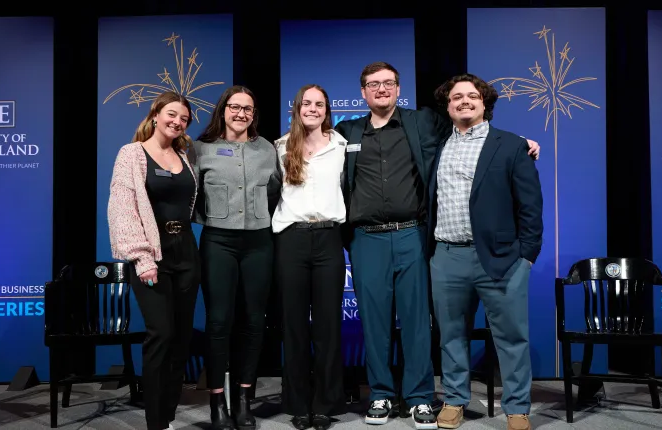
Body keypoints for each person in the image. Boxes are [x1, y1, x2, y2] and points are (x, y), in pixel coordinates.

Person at [335, 62, 540, 429]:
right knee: (416, 329)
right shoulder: (346, 131)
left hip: (428, 238)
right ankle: (391, 394)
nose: (381, 89)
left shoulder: (426, 124)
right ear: (363, 92)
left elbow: (526, 200)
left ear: (399, 88)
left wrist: (526, 256)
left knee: (425, 324)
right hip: (396, 244)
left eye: (389, 83)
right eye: (373, 84)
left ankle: (433, 399)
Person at [428, 73, 543, 430]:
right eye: (456, 97)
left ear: (484, 103)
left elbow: (530, 206)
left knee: (511, 338)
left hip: (501, 258)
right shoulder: (435, 146)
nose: (464, 101)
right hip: (447, 255)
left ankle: (517, 407)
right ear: (447, 106)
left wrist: (525, 256)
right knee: (451, 336)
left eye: (472, 96)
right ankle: (455, 400)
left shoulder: (510, 145)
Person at [108, 91, 200, 430]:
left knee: (180, 338)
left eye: (184, 119)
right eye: (172, 115)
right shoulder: (132, 154)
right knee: (160, 335)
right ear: (156, 114)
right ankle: (155, 421)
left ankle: (169, 415)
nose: (177, 122)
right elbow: (122, 209)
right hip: (153, 258)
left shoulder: (184, 154)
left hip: (188, 253)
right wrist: (141, 257)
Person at [192, 85, 281, 430]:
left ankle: (244, 399)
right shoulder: (201, 149)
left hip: (259, 242)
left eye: (248, 109)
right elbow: (192, 195)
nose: (241, 114)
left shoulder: (267, 150)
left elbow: (275, 191)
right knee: (218, 322)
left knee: (254, 321)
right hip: (218, 242)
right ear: (223, 110)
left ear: (254, 114)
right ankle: (217, 404)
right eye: (235, 107)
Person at [272, 84, 348, 430]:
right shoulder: (281, 146)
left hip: (329, 238)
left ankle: (325, 403)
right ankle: (298, 403)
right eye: (307, 103)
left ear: (326, 109)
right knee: (295, 326)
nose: (313, 109)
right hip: (292, 239)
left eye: (319, 104)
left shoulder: (341, 146)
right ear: (297, 108)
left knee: (329, 325)